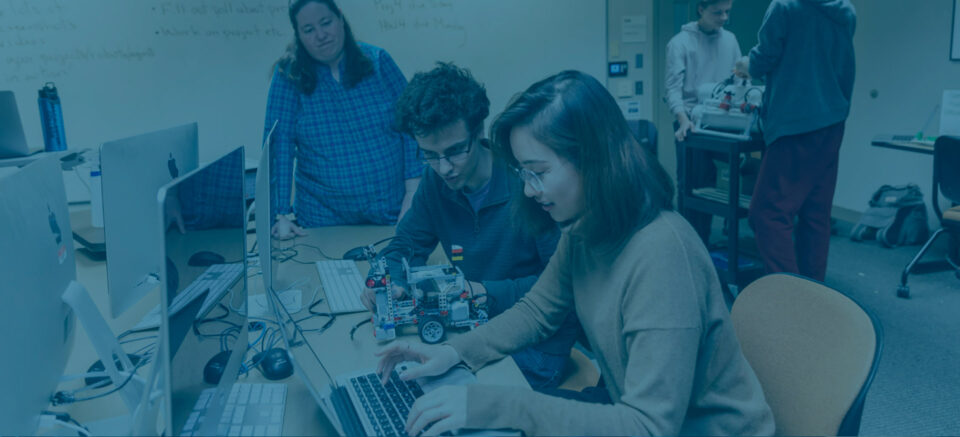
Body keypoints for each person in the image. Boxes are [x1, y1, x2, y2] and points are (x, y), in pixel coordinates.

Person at [375, 71, 775, 436]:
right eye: (523, 174)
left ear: (593, 159)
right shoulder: (584, 229)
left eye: (539, 172)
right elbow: (536, 312)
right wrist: (452, 353)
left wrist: (501, 404)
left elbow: (649, 427)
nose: (529, 190)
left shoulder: (662, 254)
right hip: (630, 408)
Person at [359, 62, 578, 390]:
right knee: (401, 380)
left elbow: (563, 287)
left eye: (454, 151)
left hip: (538, 341)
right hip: (477, 328)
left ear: (478, 132)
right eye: (429, 154)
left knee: (450, 395)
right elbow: (405, 246)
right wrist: (392, 280)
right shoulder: (436, 183)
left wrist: (484, 292)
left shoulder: (529, 184)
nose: (444, 168)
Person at [265, 0, 423, 238]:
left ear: (340, 18)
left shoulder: (378, 61)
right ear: (298, 35)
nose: (320, 35)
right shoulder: (288, 76)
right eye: (308, 30)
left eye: (326, 23)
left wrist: (413, 193)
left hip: (391, 213)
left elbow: (411, 126)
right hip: (323, 221)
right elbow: (280, 147)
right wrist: (281, 214)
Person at [737, 0, 856, 282]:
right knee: (815, 215)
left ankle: (790, 299)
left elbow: (765, 58)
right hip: (831, 122)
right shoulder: (846, 9)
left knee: (766, 214)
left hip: (795, 123)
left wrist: (746, 64)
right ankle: (813, 296)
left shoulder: (785, 7)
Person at [665, 0, 742, 244]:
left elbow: (739, 80)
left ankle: (704, 240)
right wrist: (682, 119)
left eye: (728, 12)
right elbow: (673, 89)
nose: (724, 18)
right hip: (688, 121)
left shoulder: (730, 40)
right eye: (717, 12)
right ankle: (689, 244)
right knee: (690, 185)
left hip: (719, 120)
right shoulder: (680, 44)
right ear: (701, 10)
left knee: (710, 184)